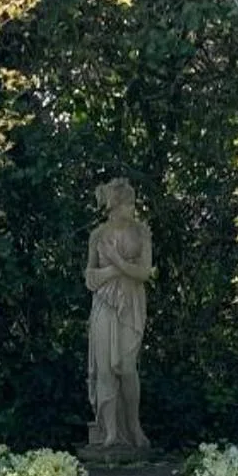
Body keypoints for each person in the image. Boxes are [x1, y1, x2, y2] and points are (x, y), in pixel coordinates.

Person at [84, 177, 152, 459]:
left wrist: (117, 262)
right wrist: (116, 269)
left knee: (126, 366)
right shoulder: (98, 235)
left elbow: (145, 272)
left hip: (131, 304)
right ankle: (110, 432)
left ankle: (133, 425)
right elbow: (90, 279)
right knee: (105, 368)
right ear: (115, 205)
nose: (133, 208)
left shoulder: (141, 232)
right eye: (129, 203)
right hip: (103, 304)